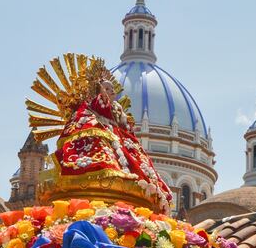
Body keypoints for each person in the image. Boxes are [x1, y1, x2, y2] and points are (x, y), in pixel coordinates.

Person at [55, 72, 172, 212]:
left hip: (118, 139)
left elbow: (125, 126)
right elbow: (98, 108)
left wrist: (123, 122)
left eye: (112, 89)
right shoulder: (94, 105)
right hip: (103, 137)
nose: (111, 92)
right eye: (107, 89)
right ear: (99, 90)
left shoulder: (117, 109)